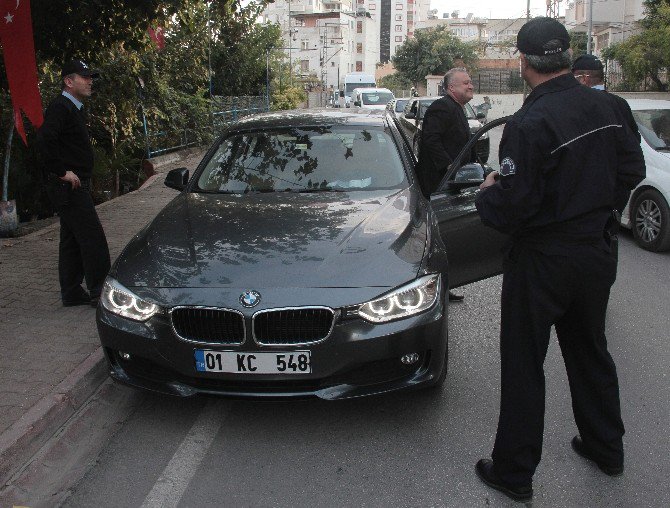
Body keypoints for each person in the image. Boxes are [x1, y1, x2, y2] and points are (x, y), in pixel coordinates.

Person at [473, 17, 645, 502]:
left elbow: (515, 206)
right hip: (596, 252)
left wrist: (489, 193)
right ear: (567, 57)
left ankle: (514, 473)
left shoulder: (529, 124)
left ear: (524, 63)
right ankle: (606, 447)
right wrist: (595, 210)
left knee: (524, 362)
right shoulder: (611, 105)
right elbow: (631, 168)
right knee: (590, 349)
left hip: (543, 259)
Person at [37, 59, 111, 307]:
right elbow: (46, 139)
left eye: (91, 77)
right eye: (85, 77)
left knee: (71, 239)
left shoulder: (73, 107)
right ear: (69, 81)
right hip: (70, 187)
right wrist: (61, 172)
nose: (90, 81)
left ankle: (71, 291)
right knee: (92, 238)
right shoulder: (61, 107)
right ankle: (100, 292)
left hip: (74, 185)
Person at [416, 67, 477, 302]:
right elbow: (431, 140)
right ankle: (433, 290)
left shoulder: (457, 108)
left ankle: (443, 286)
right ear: (452, 88)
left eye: (470, 82)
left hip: (451, 183)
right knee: (437, 240)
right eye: (465, 83)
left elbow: (465, 145)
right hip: (439, 184)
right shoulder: (442, 107)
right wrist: (450, 170)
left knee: (446, 238)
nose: (470, 85)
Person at [572, 54, 641, 143]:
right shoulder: (620, 103)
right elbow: (634, 139)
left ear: (584, 79)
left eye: (574, 78)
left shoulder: (578, 105)